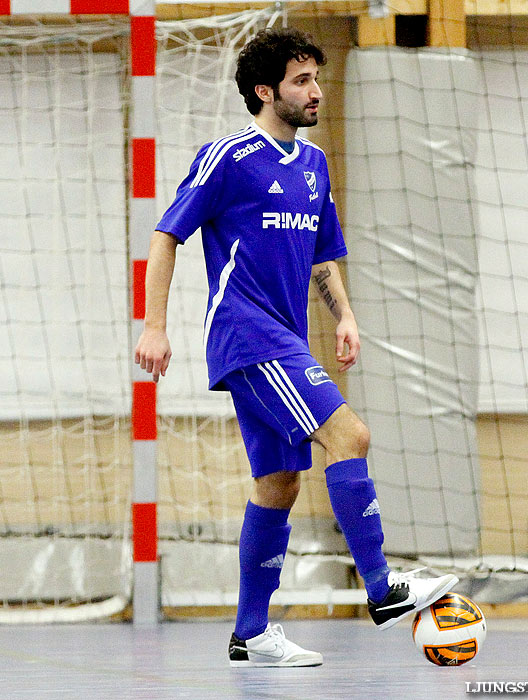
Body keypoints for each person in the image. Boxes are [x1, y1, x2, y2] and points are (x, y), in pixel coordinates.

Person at [134, 27, 457, 668]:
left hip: (284, 335)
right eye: (301, 81)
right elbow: (167, 235)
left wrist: (345, 315)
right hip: (246, 334)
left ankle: (251, 633)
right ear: (265, 91)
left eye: (316, 78)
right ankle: (383, 590)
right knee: (350, 435)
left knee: (278, 483)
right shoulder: (228, 157)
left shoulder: (313, 167)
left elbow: (322, 253)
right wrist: (153, 325)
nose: (315, 92)